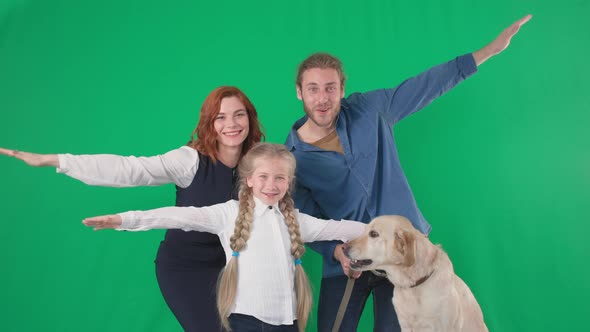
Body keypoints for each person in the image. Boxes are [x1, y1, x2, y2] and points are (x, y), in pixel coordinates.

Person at [285, 15, 532, 332]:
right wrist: (335, 251)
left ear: (342, 89)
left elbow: (426, 85)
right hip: (348, 262)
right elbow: (304, 218)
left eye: (330, 88)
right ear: (299, 92)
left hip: (404, 256)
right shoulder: (290, 159)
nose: (322, 98)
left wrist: (488, 51)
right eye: (313, 89)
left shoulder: (371, 109)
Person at [0, 86, 264, 332]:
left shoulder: (258, 164)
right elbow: (130, 170)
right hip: (186, 268)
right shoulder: (190, 161)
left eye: (239, 115)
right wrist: (55, 160)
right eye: (221, 117)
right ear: (210, 124)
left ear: (249, 119)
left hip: (232, 268)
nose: (231, 124)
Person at [81, 143, 367, 332]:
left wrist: (390, 229)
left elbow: (340, 228)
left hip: (288, 323)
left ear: (289, 183)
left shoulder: (297, 221)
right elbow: (177, 216)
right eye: (264, 176)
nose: (272, 184)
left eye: (280, 178)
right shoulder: (228, 214)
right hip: (243, 322)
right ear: (250, 179)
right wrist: (125, 219)